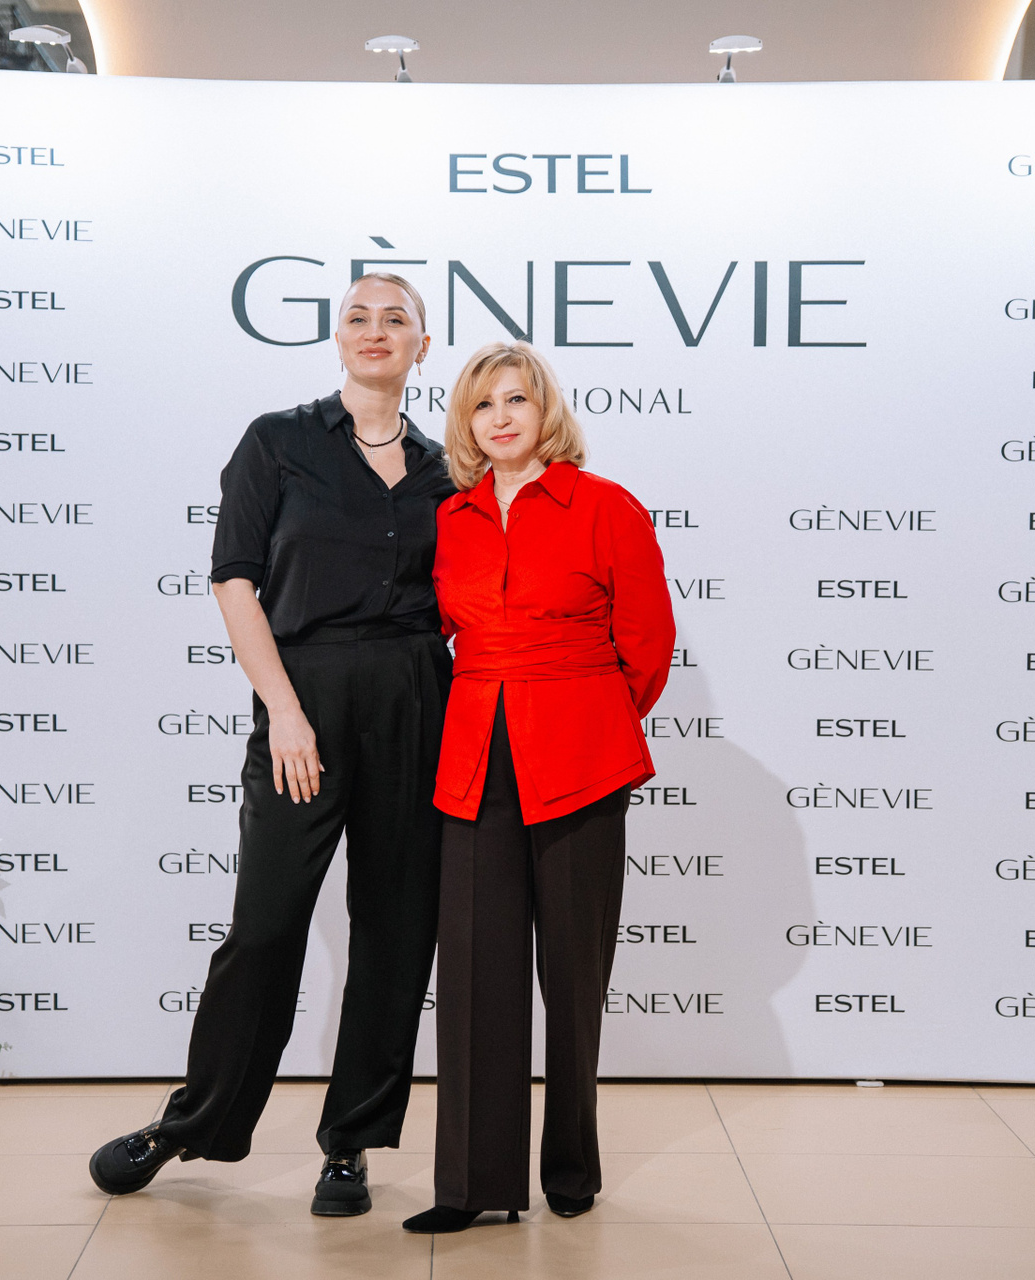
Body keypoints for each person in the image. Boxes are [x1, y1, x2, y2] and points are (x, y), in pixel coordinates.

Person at [88, 274, 456, 1218]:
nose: (375, 331)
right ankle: (192, 1123)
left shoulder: (446, 465)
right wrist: (284, 710)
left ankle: (352, 1146)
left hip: (418, 699)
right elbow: (235, 581)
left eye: (397, 320)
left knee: (396, 931)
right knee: (264, 928)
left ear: (422, 345)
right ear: (338, 338)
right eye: (358, 317)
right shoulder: (278, 441)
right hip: (304, 698)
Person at [402, 342, 676, 1233]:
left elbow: (647, 645)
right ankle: (472, 1186)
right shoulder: (451, 518)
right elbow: (438, 633)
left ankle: (571, 1167)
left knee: (572, 969)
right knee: (474, 972)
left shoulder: (605, 506)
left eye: (516, 399)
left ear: (544, 409)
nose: (501, 417)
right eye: (483, 405)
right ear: (467, 423)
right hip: (475, 756)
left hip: (581, 753)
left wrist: (585, 715)